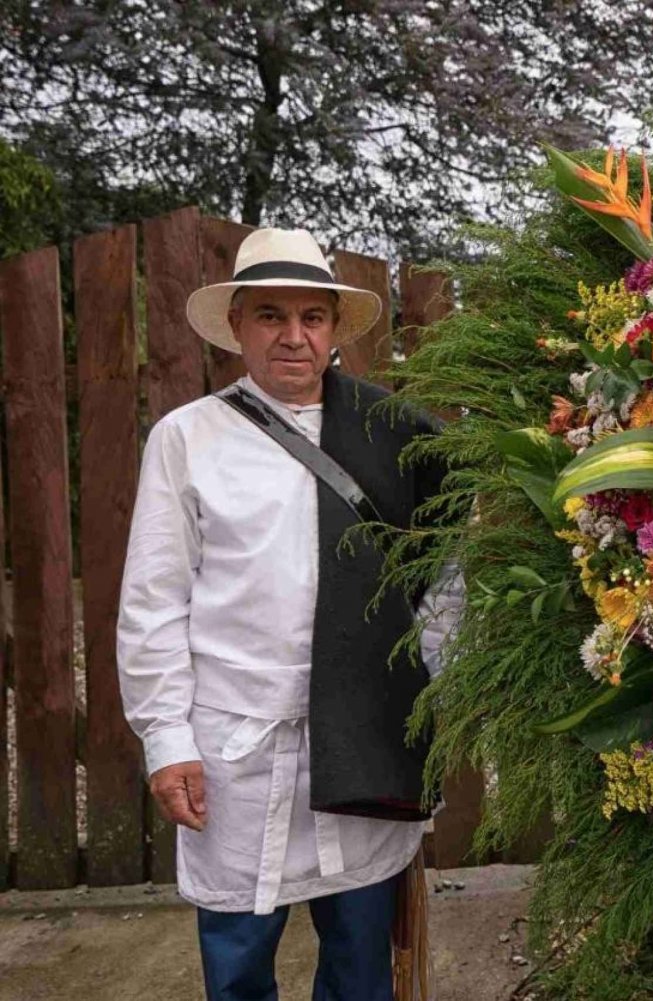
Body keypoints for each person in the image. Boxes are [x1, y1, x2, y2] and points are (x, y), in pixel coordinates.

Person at [117, 226, 463, 1000]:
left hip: (365, 738)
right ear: (237, 324)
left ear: (336, 329)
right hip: (238, 749)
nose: (293, 336)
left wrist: (423, 697)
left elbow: (446, 575)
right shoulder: (187, 438)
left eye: (312, 317)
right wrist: (167, 738)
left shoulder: (392, 435)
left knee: (360, 963)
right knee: (237, 961)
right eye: (271, 315)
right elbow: (153, 598)